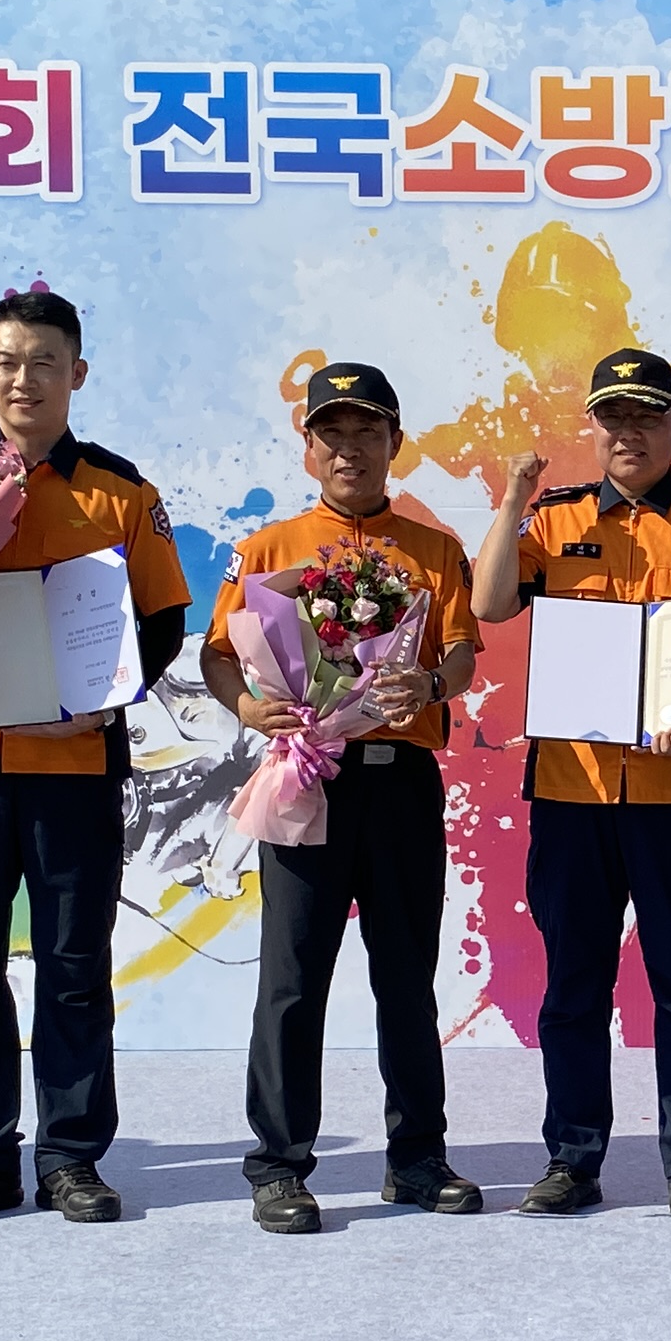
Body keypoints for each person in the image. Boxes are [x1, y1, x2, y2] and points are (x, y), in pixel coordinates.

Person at [0, 291, 196, 1227]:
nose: (25, 379)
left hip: (73, 768)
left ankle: (71, 1158)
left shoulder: (121, 492)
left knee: (72, 967)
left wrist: (102, 701)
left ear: (76, 374)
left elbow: (162, 623)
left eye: (45, 362)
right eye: (8, 361)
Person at [466, 346, 671, 1220]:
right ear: (591, 427)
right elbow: (488, 604)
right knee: (574, 987)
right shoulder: (551, 520)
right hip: (573, 792)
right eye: (614, 416)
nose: (630, 432)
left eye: (647, 415)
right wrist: (511, 501)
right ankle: (573, 1159)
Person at [204, 361, 483, 1235]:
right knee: (293, 980)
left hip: (400, 784)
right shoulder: (270, 548)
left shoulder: (434, 548)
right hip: (305, 775)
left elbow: (463, 651)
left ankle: (418, 1158)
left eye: (368, 432)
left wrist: (430, 685)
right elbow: (219, 652)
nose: (350, 449)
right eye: (333, 433)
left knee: (406, 979)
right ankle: (279, 1165)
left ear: (396, 442)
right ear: (309, 446)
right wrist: (248, 705)